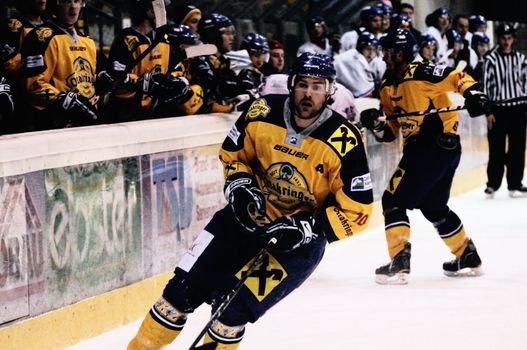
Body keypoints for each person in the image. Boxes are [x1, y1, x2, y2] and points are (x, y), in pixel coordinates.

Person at [128, 52, 373, 349]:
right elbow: (233, 155)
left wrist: (309, 228)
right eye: (303, 84)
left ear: (330, 91)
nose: (309, 93)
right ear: (291, 84)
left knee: (230, 313)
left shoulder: (344, 139)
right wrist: (240, 185)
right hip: (243, 219)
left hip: (294, 247)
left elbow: (358, 212)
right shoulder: (261, 111)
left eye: (318, 86)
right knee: (177, 294)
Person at [360, 29, 489, 284]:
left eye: (386, 52)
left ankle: (399, 259)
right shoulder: (386, 87)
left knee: (392, 200)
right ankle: (467, 254)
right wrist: (375, 125)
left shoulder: (420, 72)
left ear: (398, 53)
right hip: (437, 150)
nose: (383, 58)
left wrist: (473, 94)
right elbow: (389, 133)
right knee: (434, 207)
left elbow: (456, 76)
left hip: (432, 145)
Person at [20, 0, 99, 130]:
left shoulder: (87, 41)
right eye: (67, 1)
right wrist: (64, 100)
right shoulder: (39, 38)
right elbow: (34, 86)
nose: (73, 6)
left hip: (86, 123)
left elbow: (92, 82)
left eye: (77, 1)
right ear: (56, 3)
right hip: (53, 123)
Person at [482, 23, 527, 198]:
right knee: (496, 149)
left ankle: (515, 183)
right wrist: (488, 111)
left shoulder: (521, 59)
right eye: (503, 38)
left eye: (509, 38)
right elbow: (485, 88)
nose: (507, 42)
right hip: (498, 111)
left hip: (518, 110)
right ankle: (492, 184)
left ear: (513, 39)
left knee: (517, 148)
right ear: (499, 39)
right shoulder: (491, 60)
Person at [1, 0, 47, 133]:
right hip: (24, 98)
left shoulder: (53, 25)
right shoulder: (13, 25)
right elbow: (9, 61)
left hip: (51, 97)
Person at [334, 31, 386, 98]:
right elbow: (365, 94)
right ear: (360, 48)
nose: (371, 53)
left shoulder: (371, 60)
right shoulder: (352, 60)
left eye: (374, 49)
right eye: (368, 49)